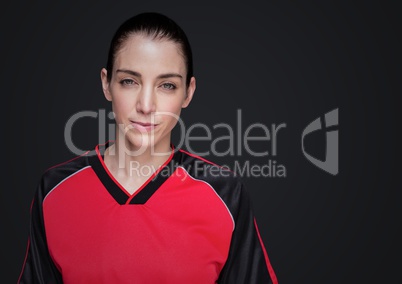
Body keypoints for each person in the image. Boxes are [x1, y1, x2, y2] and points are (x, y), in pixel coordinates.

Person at [18, 12, 278, 284]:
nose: (146, 105)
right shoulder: (56, 191)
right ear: (106, 84)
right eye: (129, 81)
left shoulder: (225, 194)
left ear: (188, 92)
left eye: (167, 85)